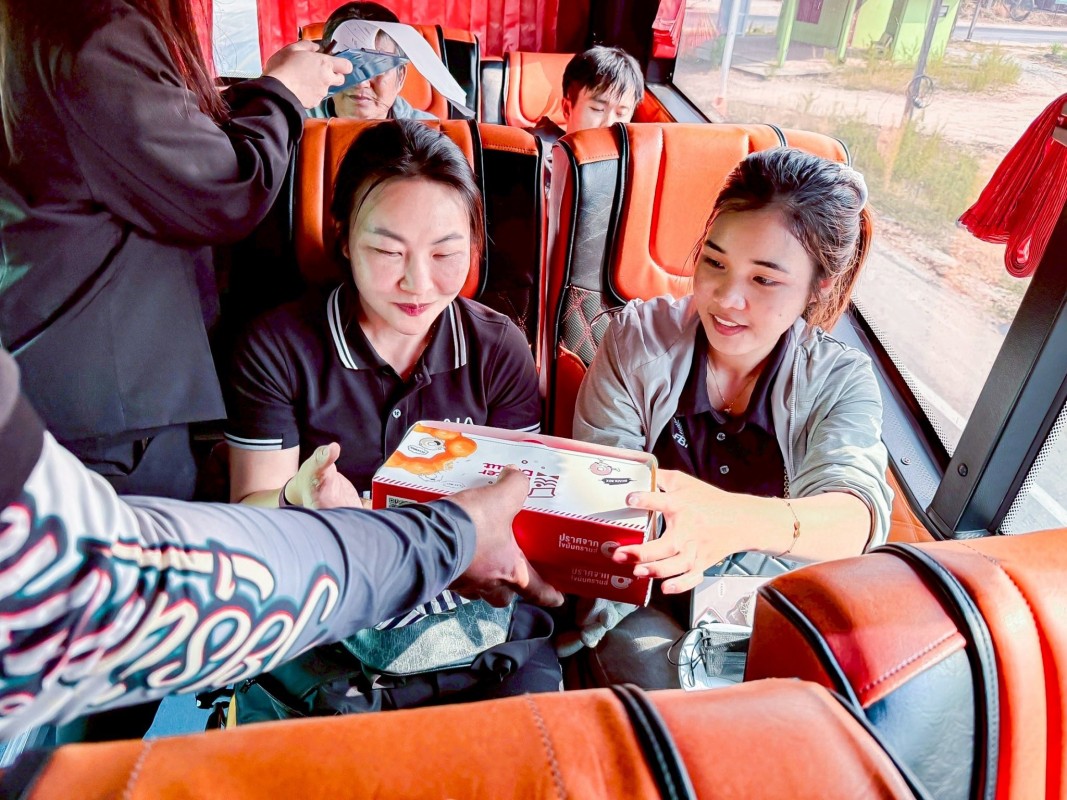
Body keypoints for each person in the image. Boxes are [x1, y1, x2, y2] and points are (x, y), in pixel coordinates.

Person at [0, 347, 562, 740]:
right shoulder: (280, 347)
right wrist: (447, 538)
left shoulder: (496, 350)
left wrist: (444, 538)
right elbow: (119, 587)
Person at [225, 120, 559, 719]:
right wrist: (298, 499)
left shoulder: (498, 348)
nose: (417, 282)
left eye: (446, 253)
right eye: (387, 251)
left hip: (472, 612)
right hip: (331, 600)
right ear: (343, 239)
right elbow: (249, 513)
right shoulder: (277, 347)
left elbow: (518, 510)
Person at [0, 0, 352, 502]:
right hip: (111, 407)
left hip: (59, 365)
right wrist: (283, 93)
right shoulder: (99, 32)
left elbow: (157, 140)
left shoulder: (38, 22)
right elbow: (228, 189)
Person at [569, 148, 892, 679]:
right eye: (715, 263)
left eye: (764, 280)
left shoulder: (839, 380)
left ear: (819, 285)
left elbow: (856, 514)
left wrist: (731, 522)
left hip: (770, 605)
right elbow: (602, 488)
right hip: (644, 595)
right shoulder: (636, 339)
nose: (726, 298)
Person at [528, 46, 644, 194]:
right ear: (567, 108)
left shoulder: (634, 170)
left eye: (621, 113)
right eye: (597, 109)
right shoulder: (534, 156)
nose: (609, 124)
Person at [307, 2, 436, 121]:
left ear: (400, 77)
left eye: (377, 67)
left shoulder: (432, 132)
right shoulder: (297, 125)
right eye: (348, 64)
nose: (361, 83)